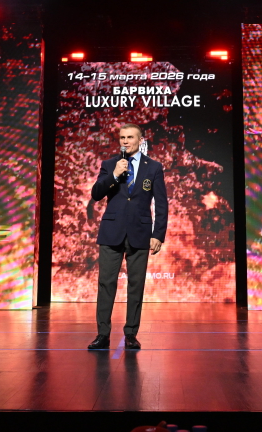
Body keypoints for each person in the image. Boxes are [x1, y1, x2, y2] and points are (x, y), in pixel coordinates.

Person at [87, 124, 167, 352]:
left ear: (140, 140)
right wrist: (114, 175)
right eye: (122, 137)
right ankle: (103, 334)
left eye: (130, 137)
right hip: (111, 232)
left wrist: (158, 235)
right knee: (106, 284)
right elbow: (96, 194)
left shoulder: (154, 167)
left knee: (136, 285)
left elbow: (161, 203)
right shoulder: (110, 164)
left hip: (140, 232)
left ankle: (131, 333)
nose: (125, 141)